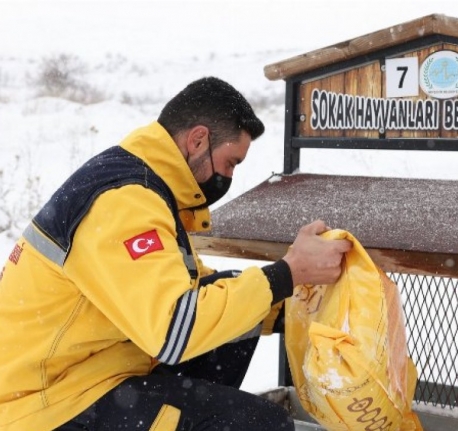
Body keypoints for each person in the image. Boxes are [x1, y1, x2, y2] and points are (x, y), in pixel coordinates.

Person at [0, 77, 352, 431]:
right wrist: (287, 274)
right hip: (43, 405)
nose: (228, 176)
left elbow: (198, 287)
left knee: (236, 311)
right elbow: (172, 330)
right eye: (230, 162)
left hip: (91, 371)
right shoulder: (125, 200)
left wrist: (290, 308)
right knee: (262, 424)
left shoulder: (144, 185)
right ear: (198, 139)